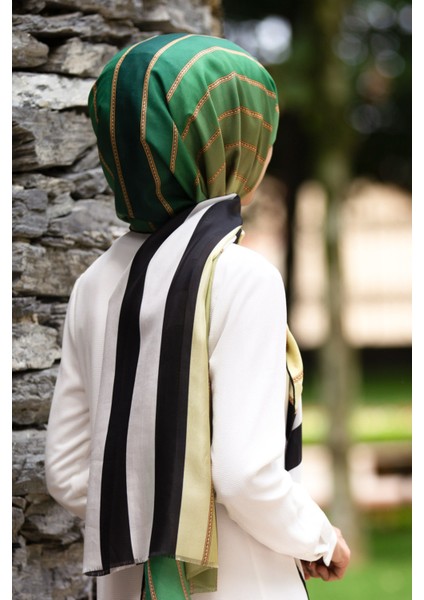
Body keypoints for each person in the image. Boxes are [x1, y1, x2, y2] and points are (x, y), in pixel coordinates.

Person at [45, 33, 351, 600]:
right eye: (256, 136)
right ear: (227, 149)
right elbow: (245, 475)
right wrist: (315, 536)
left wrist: (153, 508)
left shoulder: (94, 284)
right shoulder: (241, 277)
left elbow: (66, 473)